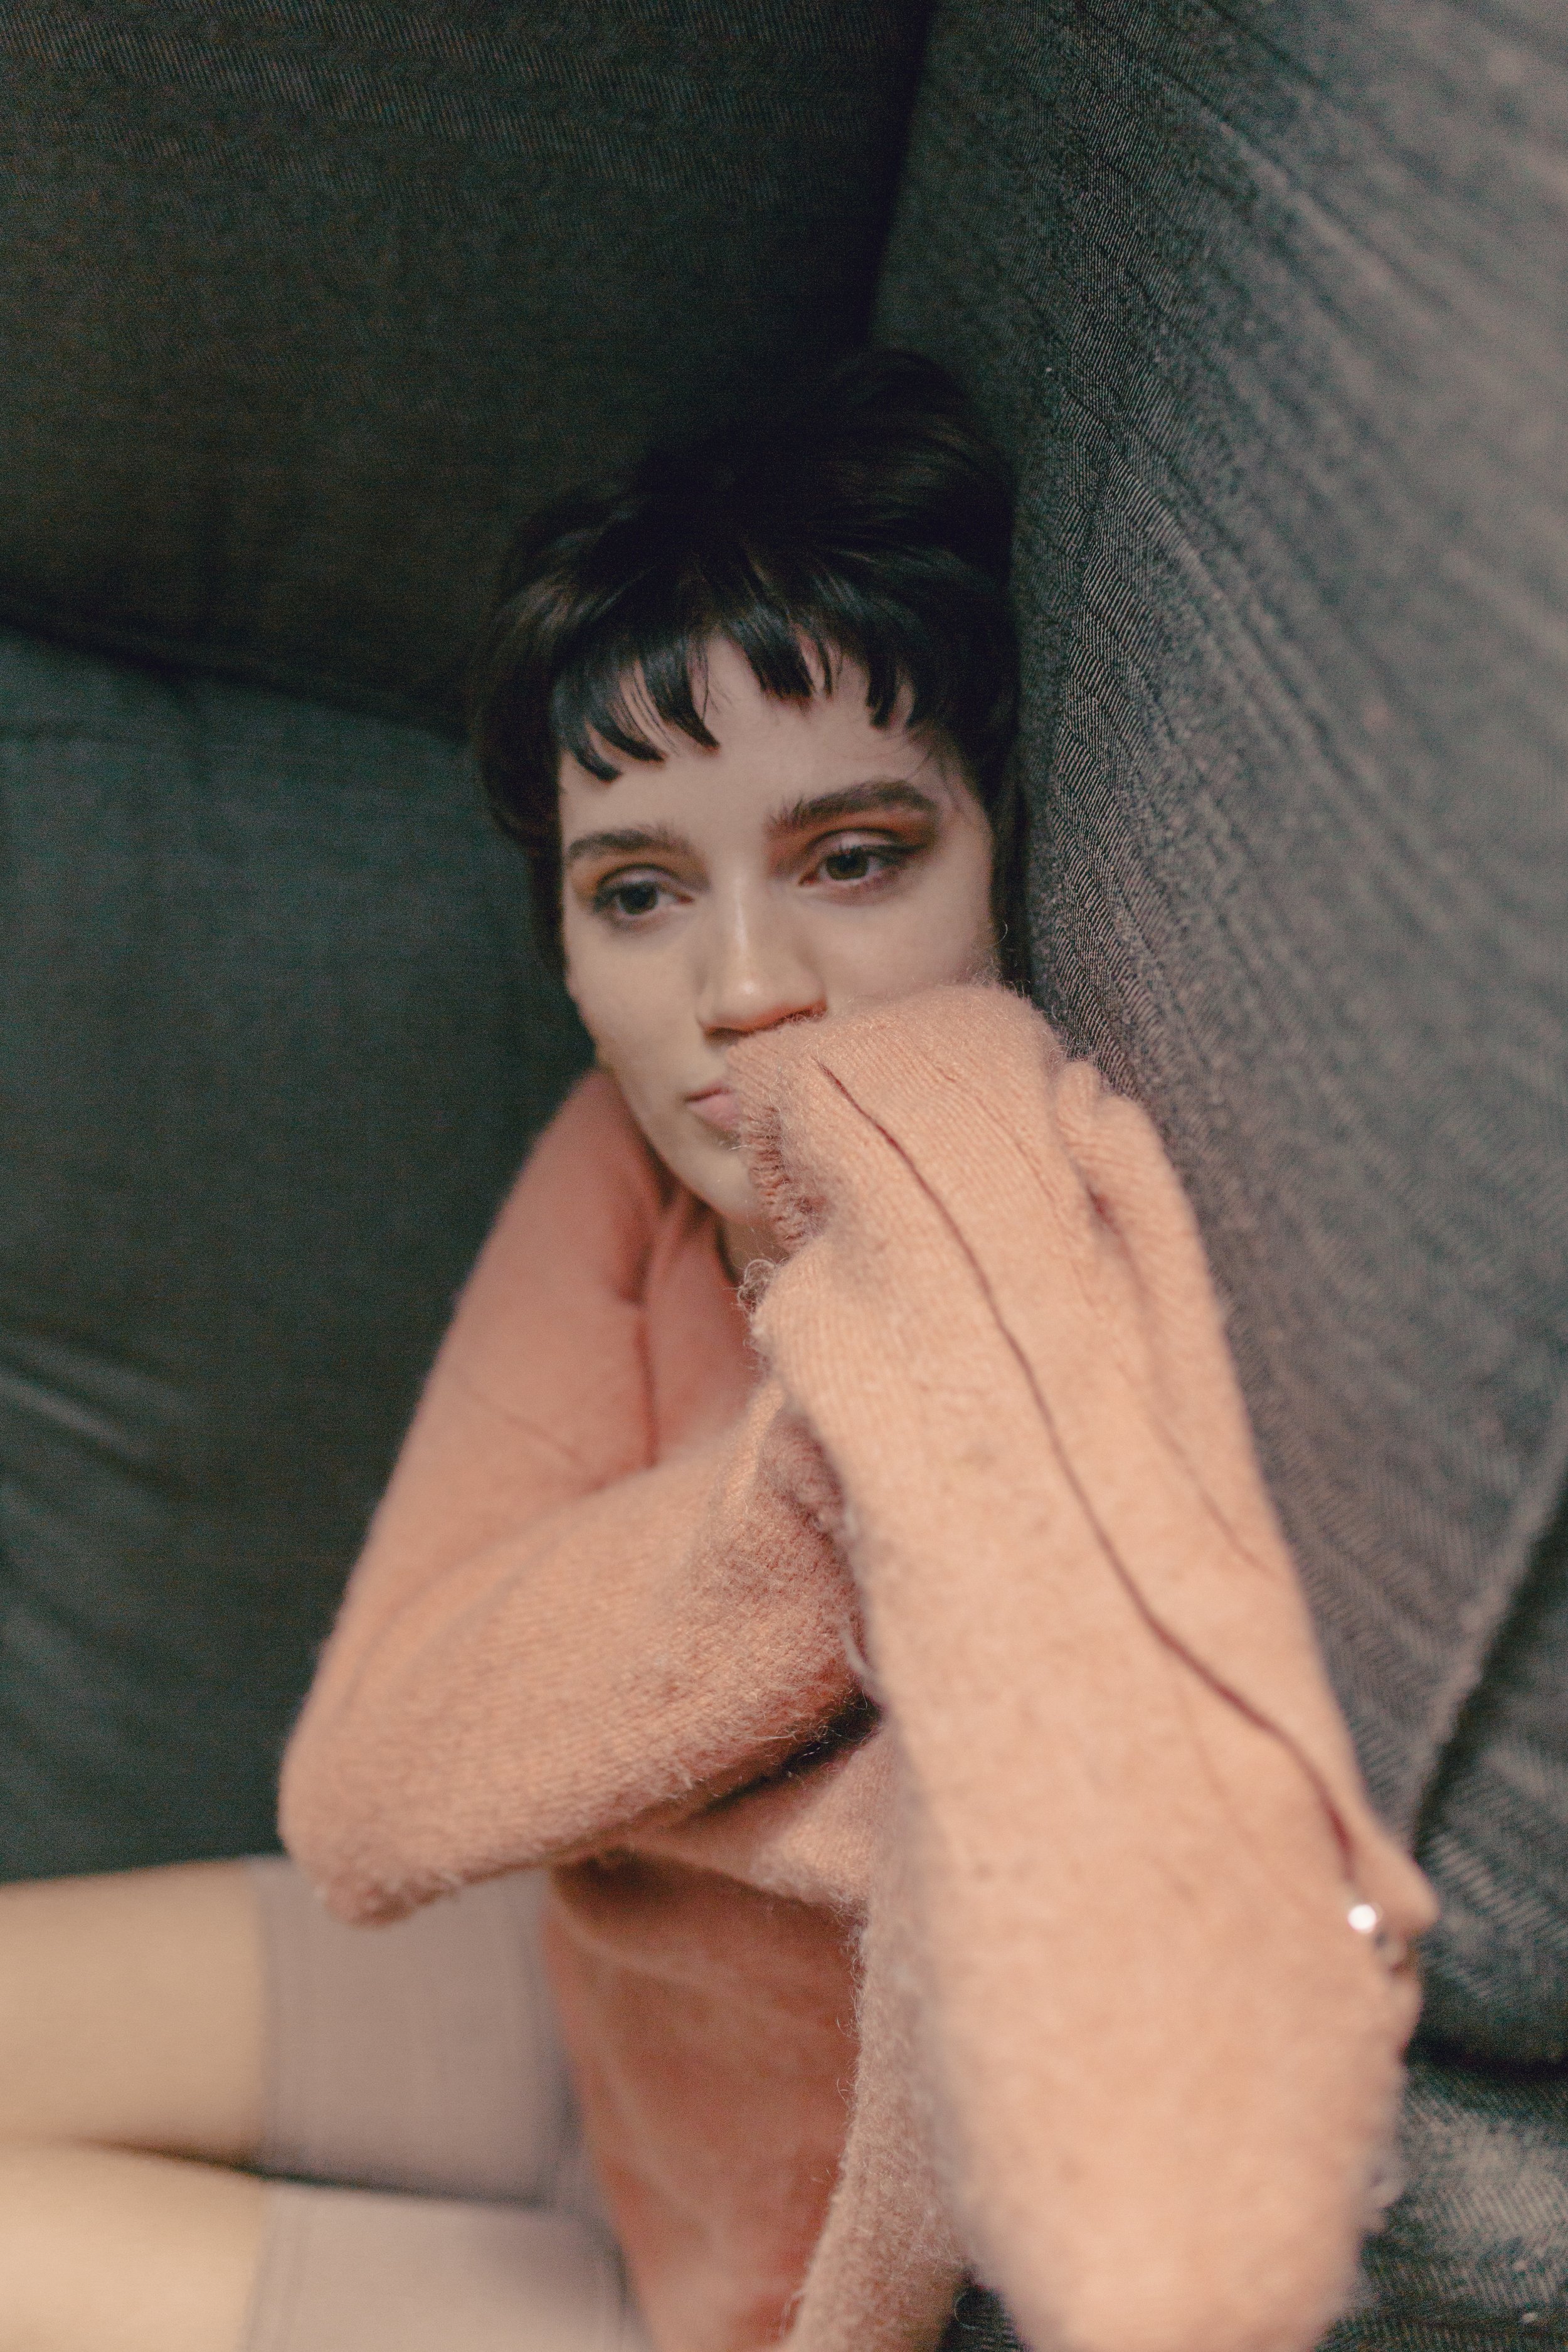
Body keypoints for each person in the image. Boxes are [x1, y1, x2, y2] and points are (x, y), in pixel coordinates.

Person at [0, 352, 1430, 2352]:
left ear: (1002, 840)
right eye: (640, 893)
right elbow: (375, 1779)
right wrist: (816, 1496)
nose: (744, 993)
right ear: (569, 948)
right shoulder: (629, 1157)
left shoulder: (1053, 1226)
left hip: (716, 2285)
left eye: (854, 856)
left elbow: (1071, 1873)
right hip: (565, 1978)